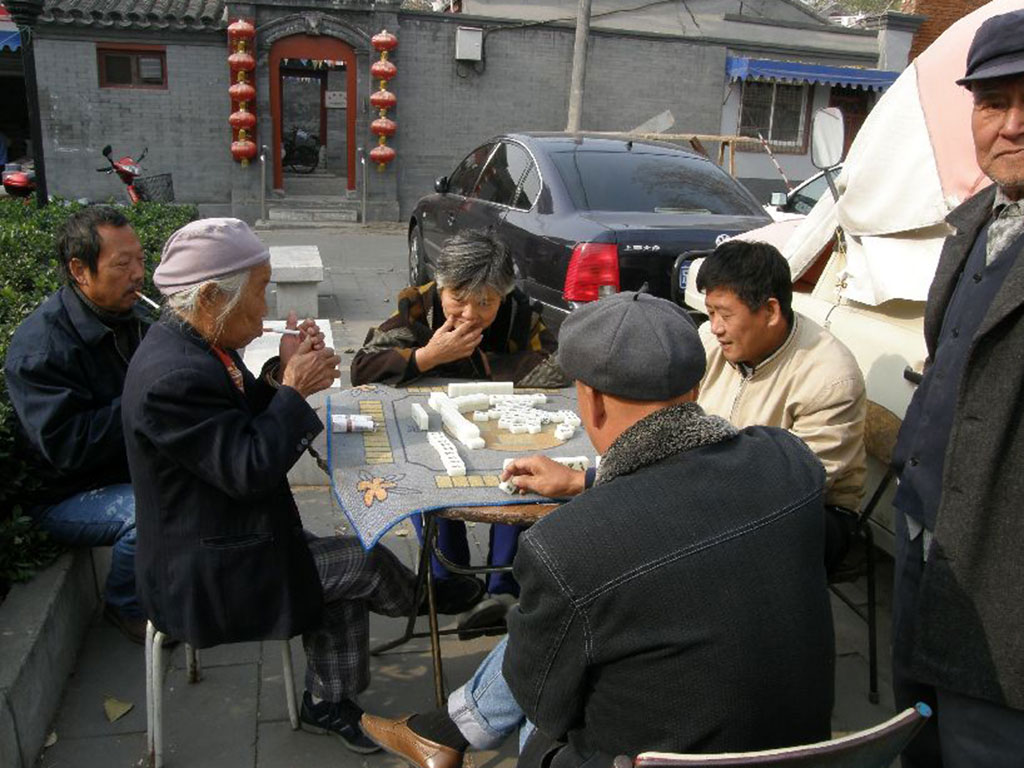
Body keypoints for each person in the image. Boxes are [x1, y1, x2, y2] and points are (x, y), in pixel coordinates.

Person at [361, 291, 835, 768]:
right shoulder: (789, 461)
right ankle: (442, 734)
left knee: (561, 664)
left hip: (641, 758)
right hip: (809, 751)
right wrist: (583, 480)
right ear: (695, 391)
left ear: (591, 403)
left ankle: (445, 733)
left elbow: (539, 697)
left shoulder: (567, 546)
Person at [121, 218, 472, 754]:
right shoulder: (174, 375)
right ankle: (424, 603)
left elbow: (230, 427)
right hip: (206, 572)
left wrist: (279, 373)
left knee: (354, 562)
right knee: (364, 563)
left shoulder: (193, 344)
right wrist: (292, 390)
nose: (265, 309)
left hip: (231, 538)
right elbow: (246, 469)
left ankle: (332, 696)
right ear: (213, 296)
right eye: (260, 292)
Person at [888, 11, 1024, 766]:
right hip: (924, 535)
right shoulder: (976, 221)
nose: (1010, 125)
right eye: (992, 102)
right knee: (919, 732)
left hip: (1005, 588)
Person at [352, 230, 569, 631]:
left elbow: (558, 364)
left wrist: (489, 366)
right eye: (458, 299)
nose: (470, 314)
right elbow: (363, 366)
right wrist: (427, 356)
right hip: (429, 428)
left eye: (486, 302)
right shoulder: (417, 306)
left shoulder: (519, 315)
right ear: (441, 286)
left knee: (516, 483)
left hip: (499, 428)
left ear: (502, 295)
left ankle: (502, 589)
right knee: (426, 483)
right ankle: (451, 584)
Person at [4, 206, 150, 643]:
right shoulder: (41, 347)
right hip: (67, 493)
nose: (138, 274)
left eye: (141, 260)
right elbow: (67, 447)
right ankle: (124, 605)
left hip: (118, 468)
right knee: (149, 513)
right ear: (79, 270)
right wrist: (141, 401)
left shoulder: (128, 319)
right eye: (122, 265)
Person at [695, 240, 867, 571]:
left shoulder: (830, 375)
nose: (715, 327)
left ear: (771, 311)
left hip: (811, 513)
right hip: (716, 490)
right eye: (711, 312)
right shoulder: (710, 341)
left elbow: (796, 483)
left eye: (725, 314)